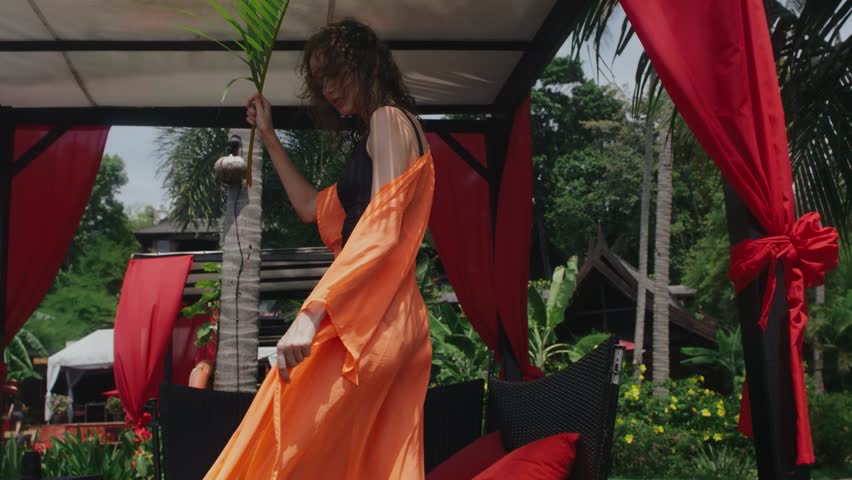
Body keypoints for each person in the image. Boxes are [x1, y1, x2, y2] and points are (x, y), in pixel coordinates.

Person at [205, 18, 435, 479]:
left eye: (335, 72)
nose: (328, 88)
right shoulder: (385, 132)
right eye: (319, 79)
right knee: (366, 464)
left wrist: (310, 316)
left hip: (371, 322)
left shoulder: (389, 120)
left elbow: (383, 230)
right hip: (393, 320)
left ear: (367, 65)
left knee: (278, 449)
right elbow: (313, 208)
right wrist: (268, 136)